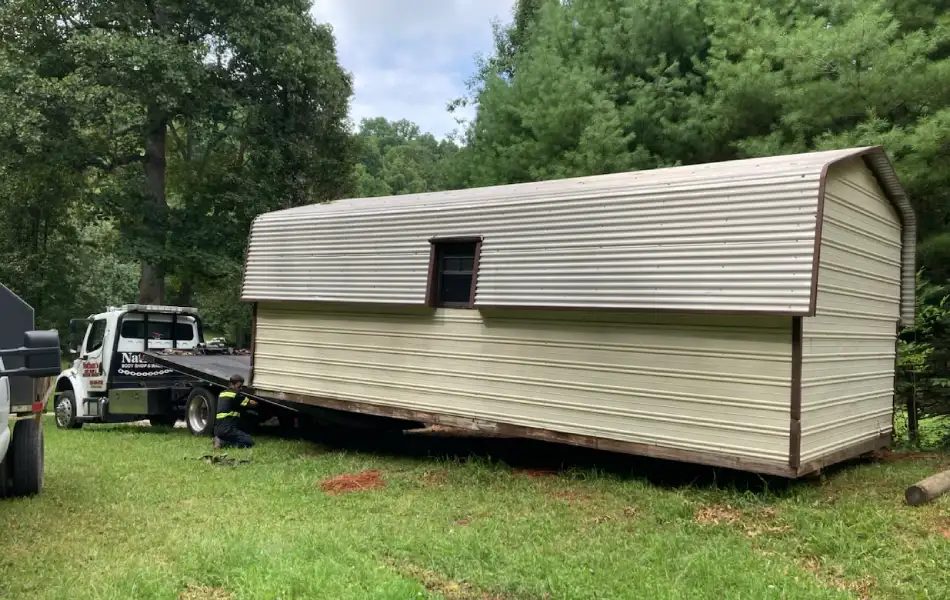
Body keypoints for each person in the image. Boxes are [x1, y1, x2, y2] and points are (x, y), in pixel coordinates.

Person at [213, 374, 257, 449]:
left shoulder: (222, 394)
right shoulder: (235, 396)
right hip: (228, 429)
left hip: (218, 429)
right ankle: (223, 443)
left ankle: (219, 439)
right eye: (239, 386)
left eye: (242, 386)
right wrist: (256, 401)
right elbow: (252, 404)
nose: (241, 389)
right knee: (249, 442)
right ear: (231, 385)